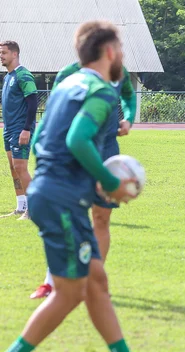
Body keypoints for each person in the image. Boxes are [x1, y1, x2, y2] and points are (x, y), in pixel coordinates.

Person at [0, 20, 176, 352]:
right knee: (69, 293)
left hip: (52, 190)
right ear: (109, 52)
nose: (123, 57)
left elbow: (51, 138)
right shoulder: (100, 91)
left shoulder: (67, 85)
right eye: (123, 51)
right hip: (62, 199)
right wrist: (111, 183)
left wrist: (80, 176)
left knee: (96, 282)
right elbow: (79, 139)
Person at [30, 61, 136, 299]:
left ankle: (93, 282)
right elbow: (52, 115)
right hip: (73, 153)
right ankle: (50, 281)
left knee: (101, 217)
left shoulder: (120, 73)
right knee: (63, 217)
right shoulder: (68, 73)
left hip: (107, 150)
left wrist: (128, 118)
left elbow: (129, 96)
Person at [0, 41, 37, 220]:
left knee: (20, 167)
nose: (1, 56)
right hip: (8, 130)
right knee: (13, 168)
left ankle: (32, 210)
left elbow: (33, 102)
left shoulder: (23, 75)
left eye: (4, 53)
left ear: (15, 54)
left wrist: (26, 129)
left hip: (20, 130)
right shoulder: (7, 77)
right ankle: (20, 207)